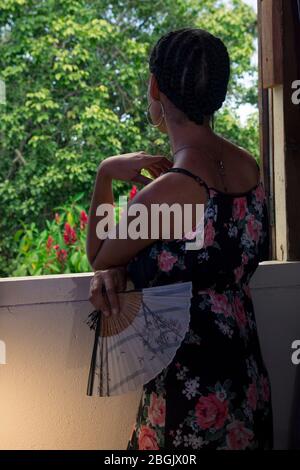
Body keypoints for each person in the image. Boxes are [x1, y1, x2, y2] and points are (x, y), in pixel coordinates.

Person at [87, 27, 273, 450]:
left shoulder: (173, 190)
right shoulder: (250, 168)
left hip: (189, 388)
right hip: (247, 380)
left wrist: (105, 175)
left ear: (156, 86)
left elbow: (98, 254)